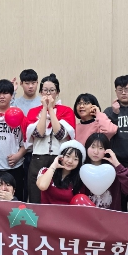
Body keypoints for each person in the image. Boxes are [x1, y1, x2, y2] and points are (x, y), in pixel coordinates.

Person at [25, 74, 76, 203]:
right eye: (45, 90)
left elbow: (60, 134)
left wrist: (51, 109)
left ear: (57, 92)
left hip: (59, 158)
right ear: (40, 92)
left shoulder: (66, 111)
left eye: (52, 90)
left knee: (56, 197)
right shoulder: (33, 111)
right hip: (38, 158)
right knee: (36, 196)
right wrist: (44, 109)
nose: (48, 93)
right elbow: (39, 133)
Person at [83, 133, 128, 211]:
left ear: (107, 150)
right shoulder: (82, 170)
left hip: (111, 215)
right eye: (93, 147)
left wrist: (117, 164)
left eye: (100, 148)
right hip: (87, 214)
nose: (96, 152)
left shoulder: (113, 170)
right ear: (87, 148)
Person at [10, 68, 39, 198]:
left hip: (36, 151)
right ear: (21, 84)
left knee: (33, 188)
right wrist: (12, 92)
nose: (30, 86)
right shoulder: (15, 103)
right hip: (17, 150)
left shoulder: (42, 102)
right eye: (27, 83)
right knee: (19, 188)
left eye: (33, 83)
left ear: (37, 83)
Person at [36, 140, 87, 205]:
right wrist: (54, 165)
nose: (70, 161)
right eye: (67, 156)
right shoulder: (45, 171)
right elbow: (42, 186)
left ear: (79, 163)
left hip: (68, 211)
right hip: (46, 211)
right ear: (61, 157)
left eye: (75, 159)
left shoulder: (80, 180)